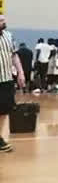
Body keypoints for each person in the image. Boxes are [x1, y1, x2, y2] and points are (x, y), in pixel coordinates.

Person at [0, 13, 24, 153]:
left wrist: (20, 72)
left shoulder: (9, 36)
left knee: (3, 110)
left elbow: (14, 55)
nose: (4, 22)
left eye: (4, 19)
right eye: (1, 20)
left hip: (6, 79)